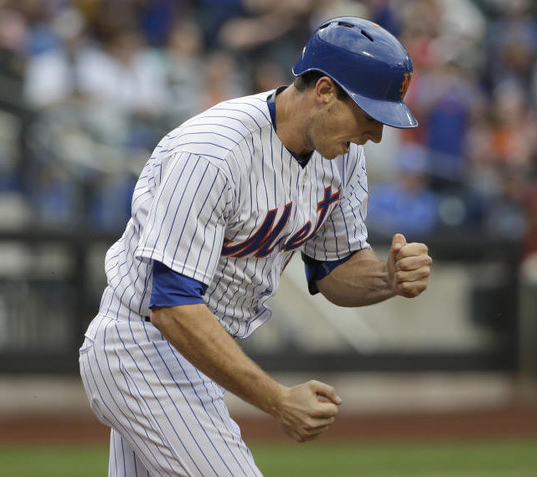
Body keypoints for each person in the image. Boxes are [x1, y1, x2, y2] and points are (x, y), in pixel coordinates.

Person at [79, 16, 432, 476]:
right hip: (140, 346)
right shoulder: (212, 153)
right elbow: (172, 306)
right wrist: (278, 400)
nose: (376, 134)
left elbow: (334, 269)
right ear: (325, 91)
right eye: (368, 115)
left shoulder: (342, 157)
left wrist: (387, 277)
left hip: (190, 355)